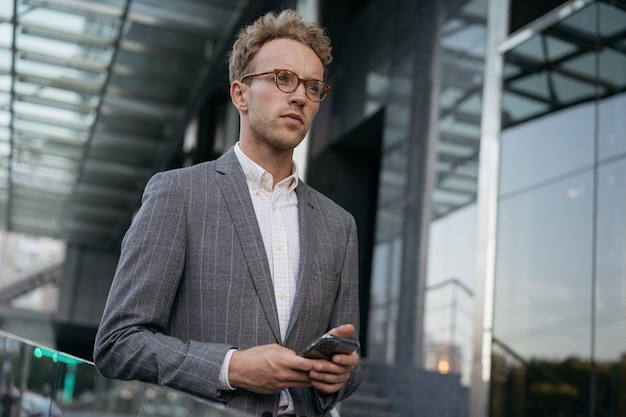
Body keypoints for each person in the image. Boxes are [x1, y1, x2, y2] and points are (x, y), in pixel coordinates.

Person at [93, 9, 361, 417]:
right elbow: (118, 343)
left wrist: (341, 375)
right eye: (283, 78)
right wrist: (231, 367)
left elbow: (347, 361)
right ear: (240, 94)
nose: (300, 96)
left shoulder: (338, 225)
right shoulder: (178, 193)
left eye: (313, 86)